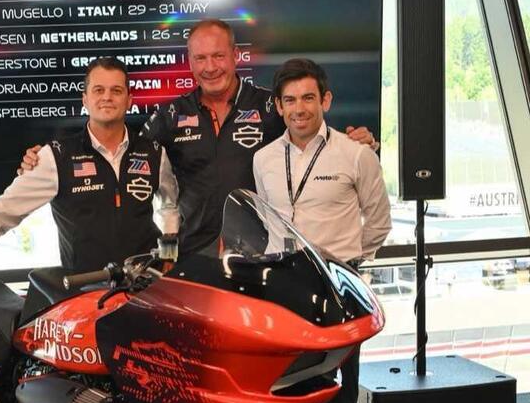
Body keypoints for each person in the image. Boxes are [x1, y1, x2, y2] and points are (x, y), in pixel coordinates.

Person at [21, 19, 377, 258]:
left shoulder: (270, 105)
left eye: (218, 56)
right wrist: (47, 160)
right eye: (201, 58)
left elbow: (312, 132)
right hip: (194, 254)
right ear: (189, 62)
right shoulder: (170, 115)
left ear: (235, 56)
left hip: (260, 252)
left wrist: (357, 139)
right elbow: (121, 151)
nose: (210, 67)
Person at [252, 57, 392, 403]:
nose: (300, 108)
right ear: (278, 106)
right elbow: (268, 224)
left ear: (325, 100)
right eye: (290, 100)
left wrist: (347, 263)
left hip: (338, 293)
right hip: (285, 294)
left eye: (308, 98)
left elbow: (379, 222)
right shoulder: (263, 159)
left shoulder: (356, 154)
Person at [0, 57, 179, 277]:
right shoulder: (56, 156)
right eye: (98, 90)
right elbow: (7, 208)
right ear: (85, 100)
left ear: (129, 100)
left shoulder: (154, 153)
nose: (107, 97)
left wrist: (169, 255)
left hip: (147, 287)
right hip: (85, 289)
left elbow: (170, 207)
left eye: (116, 90)